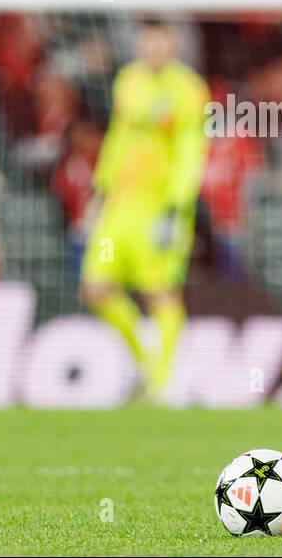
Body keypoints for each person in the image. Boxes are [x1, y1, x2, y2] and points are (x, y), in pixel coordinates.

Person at [79, 21, 210, 400]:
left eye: (159, 43)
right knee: (95, 288)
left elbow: (191, 150)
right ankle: (147, 361)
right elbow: (118, 137)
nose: (152, 50)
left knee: (160, 293)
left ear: (171, 47)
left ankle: (163, 384)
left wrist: (176, 207)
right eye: (146, 43)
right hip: (120, 205)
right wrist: (100, 192)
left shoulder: (187, 89)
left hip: (159, 208)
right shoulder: (128, 80)